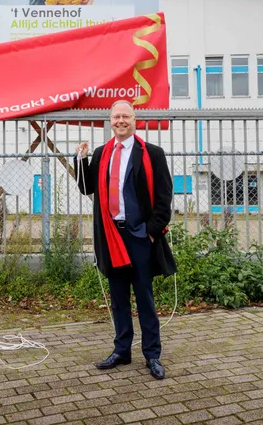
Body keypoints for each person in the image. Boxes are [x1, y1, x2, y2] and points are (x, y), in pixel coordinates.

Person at [74, 100, 176, 380]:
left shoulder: (151, 153)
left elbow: (165, 197)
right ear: (110, 120)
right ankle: (122, 350)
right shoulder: (101, 153)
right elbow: (86, 188)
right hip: (110, 234)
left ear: (135, 119)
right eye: (116, 116)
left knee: (144, 296)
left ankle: (152, 354)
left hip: (140, 236)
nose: (120, 121)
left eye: (125, 116)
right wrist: (80, 160)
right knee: (118, 298)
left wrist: (151, 231)